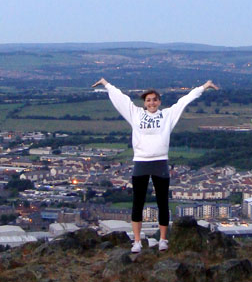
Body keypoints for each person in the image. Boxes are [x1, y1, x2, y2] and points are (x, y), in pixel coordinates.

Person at [92, 77, 220, 253]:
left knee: (162, 203)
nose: (151, 103)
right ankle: (136, 241)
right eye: (148, 100)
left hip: (160, 162)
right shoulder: (136, 114)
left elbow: (185, 100)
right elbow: (121, 99)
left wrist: (204, 87)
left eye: (154, 100)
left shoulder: (167, 115)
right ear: (144, 103)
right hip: (141, 162)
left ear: (159, 101)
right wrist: (106, 84)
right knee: (138, 202)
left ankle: (163, 240)